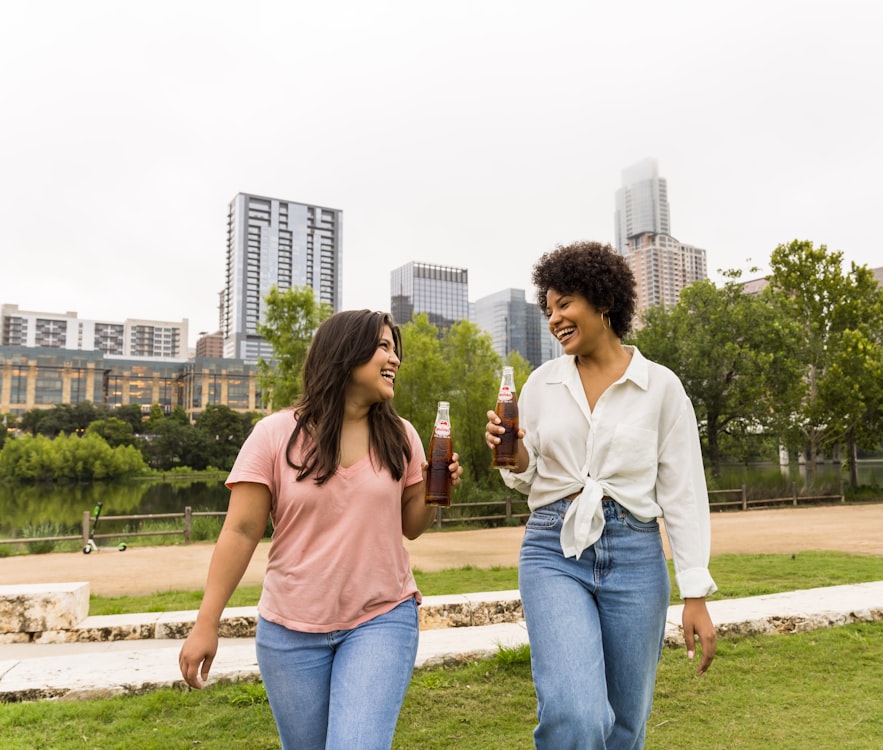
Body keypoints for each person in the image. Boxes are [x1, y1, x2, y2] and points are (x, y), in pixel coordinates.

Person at [179, 310, 462, 750]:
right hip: (289, 631)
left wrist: (433, 492)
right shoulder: (273, 435)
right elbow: (239, 532)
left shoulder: (402, 436)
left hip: (381, 617)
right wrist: (206, 623)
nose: (395, 359)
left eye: (395, 349)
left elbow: (412, 528)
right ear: (345, 354)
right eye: (383, 347)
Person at [485, 241, 717, 749]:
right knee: (576, 712)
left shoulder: (661, 388)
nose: (554, 319)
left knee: (626, 724)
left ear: (603, 300)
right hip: (553, 550)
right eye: (548, 309)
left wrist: (694, 592)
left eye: (564, 303)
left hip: (636, 556)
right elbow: (527, 476)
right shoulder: (541, 385)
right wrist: (516, 457)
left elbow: (683, 494)